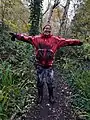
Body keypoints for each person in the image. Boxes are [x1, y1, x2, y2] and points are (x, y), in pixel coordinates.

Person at [10, 24, 83, 104]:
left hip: (49, 66)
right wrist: (16, 36)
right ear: (43, 29)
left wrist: (78, 42)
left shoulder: (56, 40)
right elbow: (26, 38)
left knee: (50, 82)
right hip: (39, 65)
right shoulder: (36, 39)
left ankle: (51, 96)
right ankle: (40, 96)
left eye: (49, 29)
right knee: (40, 82)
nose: (47, 30)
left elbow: (67, 42)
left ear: (50, 30)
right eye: (46, 28)